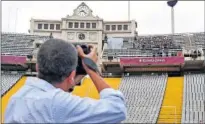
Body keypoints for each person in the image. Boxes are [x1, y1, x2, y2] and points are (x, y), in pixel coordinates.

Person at [4, 38, 126, 123]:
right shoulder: (57, 104)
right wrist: (91, 68)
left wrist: (72, 79)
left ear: (37, 66)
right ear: (71, 75)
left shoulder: (15, 99)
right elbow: (117, 108)